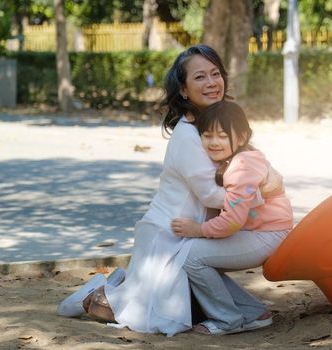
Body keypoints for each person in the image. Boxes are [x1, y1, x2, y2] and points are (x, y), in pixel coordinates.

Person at [57, 44, 280, 337]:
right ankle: (101, 292)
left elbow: (243, 168)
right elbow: (212, 195)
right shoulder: (188, 135)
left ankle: (245, 312)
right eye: (200, 77)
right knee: (149, 312)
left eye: (215, 74)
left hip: (197, 229)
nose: (211, 83)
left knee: (196, 276)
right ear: (184, 90)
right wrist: (265, 191)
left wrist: (256, 183)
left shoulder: (216, 123)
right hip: (171, 234)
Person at [170, 100, 293, 335]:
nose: (214, 142)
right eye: (207, 135)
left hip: (268, 234)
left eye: (223, 136)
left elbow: (232, 221)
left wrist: (198, 229)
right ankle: (253, 313)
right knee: (199, 258)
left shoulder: (241, 166)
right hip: (263, 230)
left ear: (242, 135)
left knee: (191, 257)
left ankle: (228, 319)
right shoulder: (240, 157)